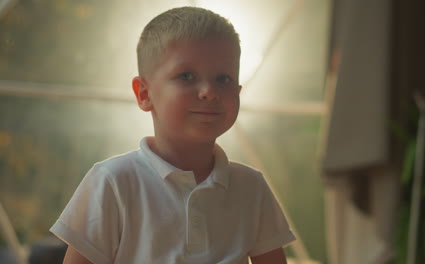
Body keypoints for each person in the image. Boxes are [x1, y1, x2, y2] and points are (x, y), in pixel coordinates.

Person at [50, 6, 296, 264]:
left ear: (238, 90)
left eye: (223, 78)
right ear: (144, 94)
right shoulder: (113, 182)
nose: (208, 91)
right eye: (186, 76)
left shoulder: (251, 187)